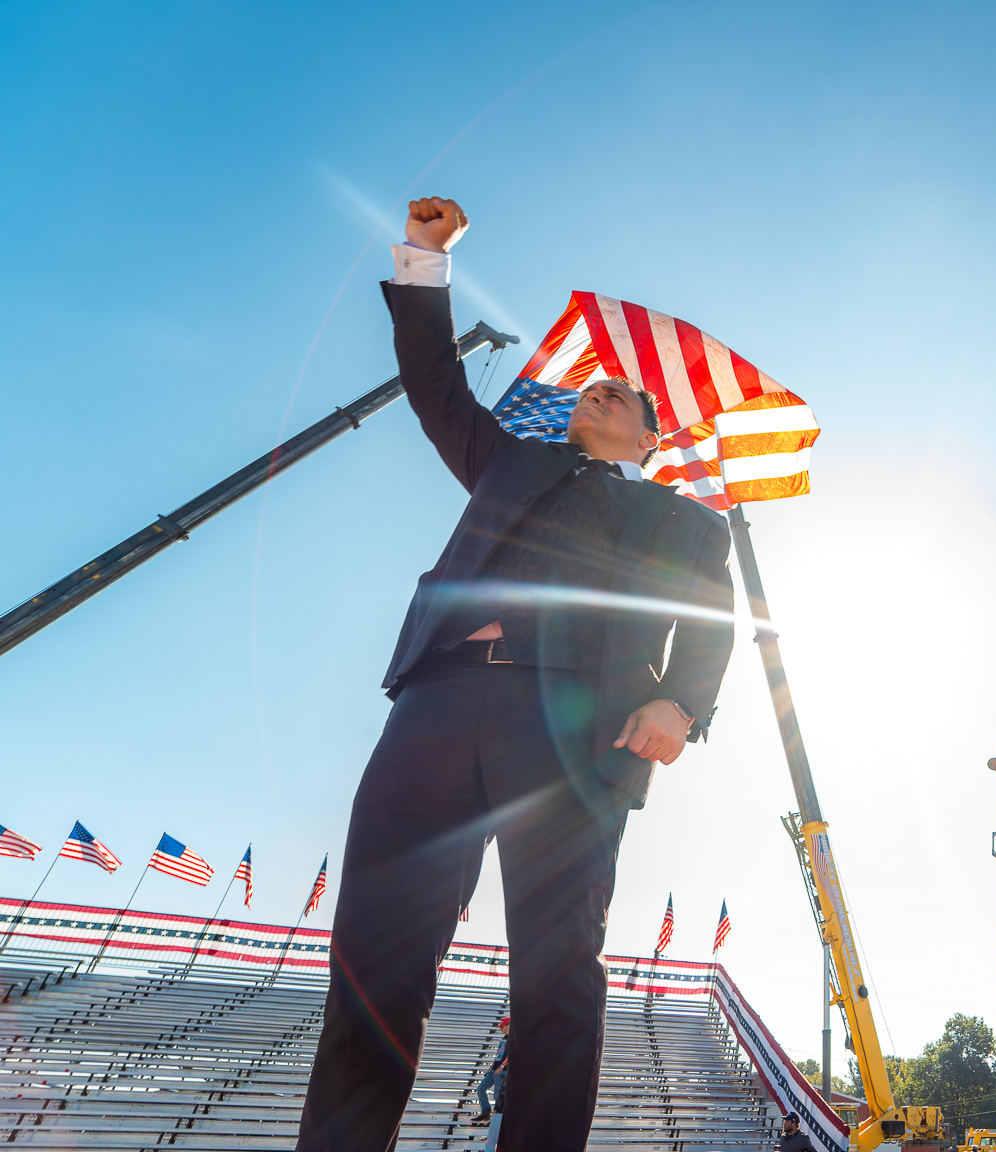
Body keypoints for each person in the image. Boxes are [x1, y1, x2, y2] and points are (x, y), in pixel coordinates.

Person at [295, 196, 737, 1152]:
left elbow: (712, 623)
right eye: (594, 388)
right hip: (437, 709)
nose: (601, 393)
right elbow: (434, 386)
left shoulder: (685, 523)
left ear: (652, 441)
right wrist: (425, 259)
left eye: (624, 396)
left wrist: (680, 702)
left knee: (557, 974)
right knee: (376, 961)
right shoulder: (506, 463)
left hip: (580, 734)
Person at [471, 1016, 512, 1125]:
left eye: (502, 1027)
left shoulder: (514, 1039)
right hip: (495, 1069)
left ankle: (498, 1122)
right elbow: (500, 1055)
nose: (501, 1029)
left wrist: (501, 1067)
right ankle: (486, 1114)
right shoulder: (504, 1038)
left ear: (509, 1025)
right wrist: (492, 1066)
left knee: (497, 1096)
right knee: (480, 1089)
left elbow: (510, 1056)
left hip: (502, 1071)